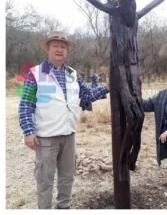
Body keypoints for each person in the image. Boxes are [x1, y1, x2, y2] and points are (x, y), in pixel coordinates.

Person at [18, 32, 110, 209]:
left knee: (67, 177)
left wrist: (106, 88)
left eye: (63, 46)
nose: (59, 49)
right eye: (55, 45)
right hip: (46, 137)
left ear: (67, 50)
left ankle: (64, 208)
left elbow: (87, 96)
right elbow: (26, 104)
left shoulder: (72, 74)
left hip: (69, 135)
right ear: (48, 48)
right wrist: (28, 132)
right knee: (45, 180)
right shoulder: (36, 73)